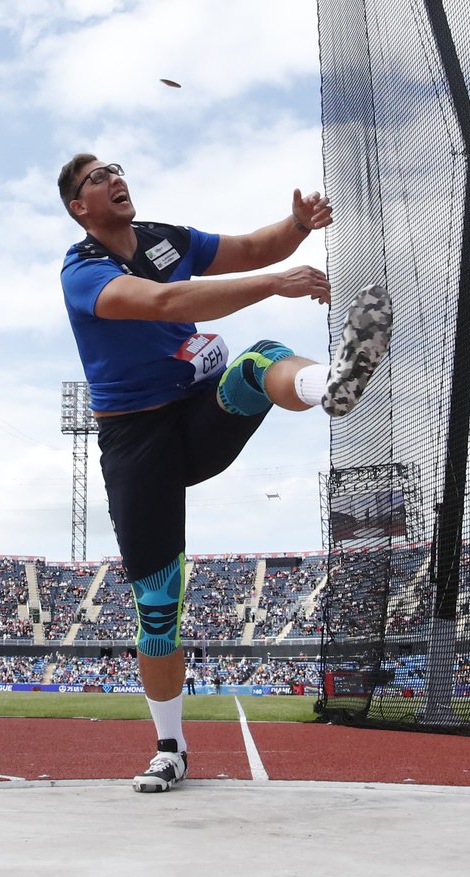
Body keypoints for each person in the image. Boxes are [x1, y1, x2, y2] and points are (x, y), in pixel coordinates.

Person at [58, 154, 391, 793]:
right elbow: (165, 302)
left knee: (256, 360)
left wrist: (294, 226)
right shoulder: (83, 271)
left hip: (198, 416)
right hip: (137, 445)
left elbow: (246, 248)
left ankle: (331, 385)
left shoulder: (164, 240)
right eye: (97, 178)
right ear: (80, 207)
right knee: (156, 610)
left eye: (116, 169)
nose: (115, 178)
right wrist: (274, 281)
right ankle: (171, 748)